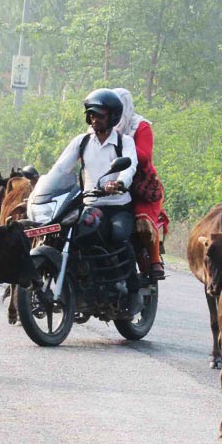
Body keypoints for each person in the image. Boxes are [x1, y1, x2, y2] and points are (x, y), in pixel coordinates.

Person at [47, 89, 143, 314]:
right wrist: (42, 186)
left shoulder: (124, 142)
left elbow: (129, 168)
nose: (94, 119)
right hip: (90, 204)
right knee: (70, 234)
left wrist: (118, 183)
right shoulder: (81, 142)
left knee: (119, 236)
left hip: (118, 206)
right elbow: (60, 168)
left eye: (99, 115)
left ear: (112, 117)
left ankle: (133, 290)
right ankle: (82, 280)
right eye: (91, 114)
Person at [113, 88, 168, 280]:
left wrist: (120, 144)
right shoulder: (101, 125)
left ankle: (154, 260)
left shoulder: (140, 126)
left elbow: (144, 157)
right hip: (105, 180)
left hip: (139, 184)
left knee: (142, 221)